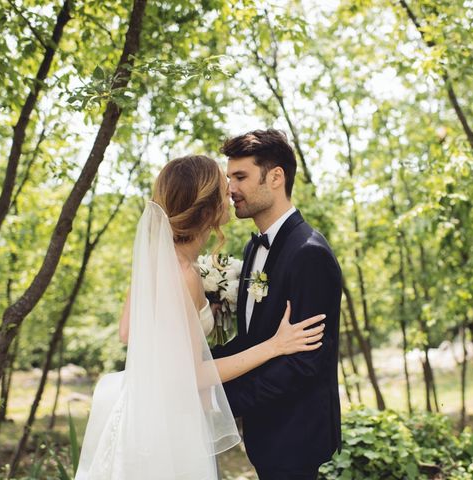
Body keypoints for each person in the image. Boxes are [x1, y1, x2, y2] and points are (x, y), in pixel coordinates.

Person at [75, 155, 326, 480]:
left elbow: (127, 332)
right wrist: (275, 346)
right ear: (208, 211)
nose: (232, 193)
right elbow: (194, 375)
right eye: (225, 189)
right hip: (171, 424)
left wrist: (195, 315)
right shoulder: (186, 274)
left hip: (138, 410)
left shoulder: (155, 259)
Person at [212, 130, 342, 480]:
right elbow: (255, 339)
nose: (230, 189)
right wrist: (198, 366)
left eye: (240, 177)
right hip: (264, 431)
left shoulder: (309, 253)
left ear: (275, 177)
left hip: (295, 434)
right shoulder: (254, 249)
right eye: (229, 178)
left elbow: (304, 362)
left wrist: (225, 400)